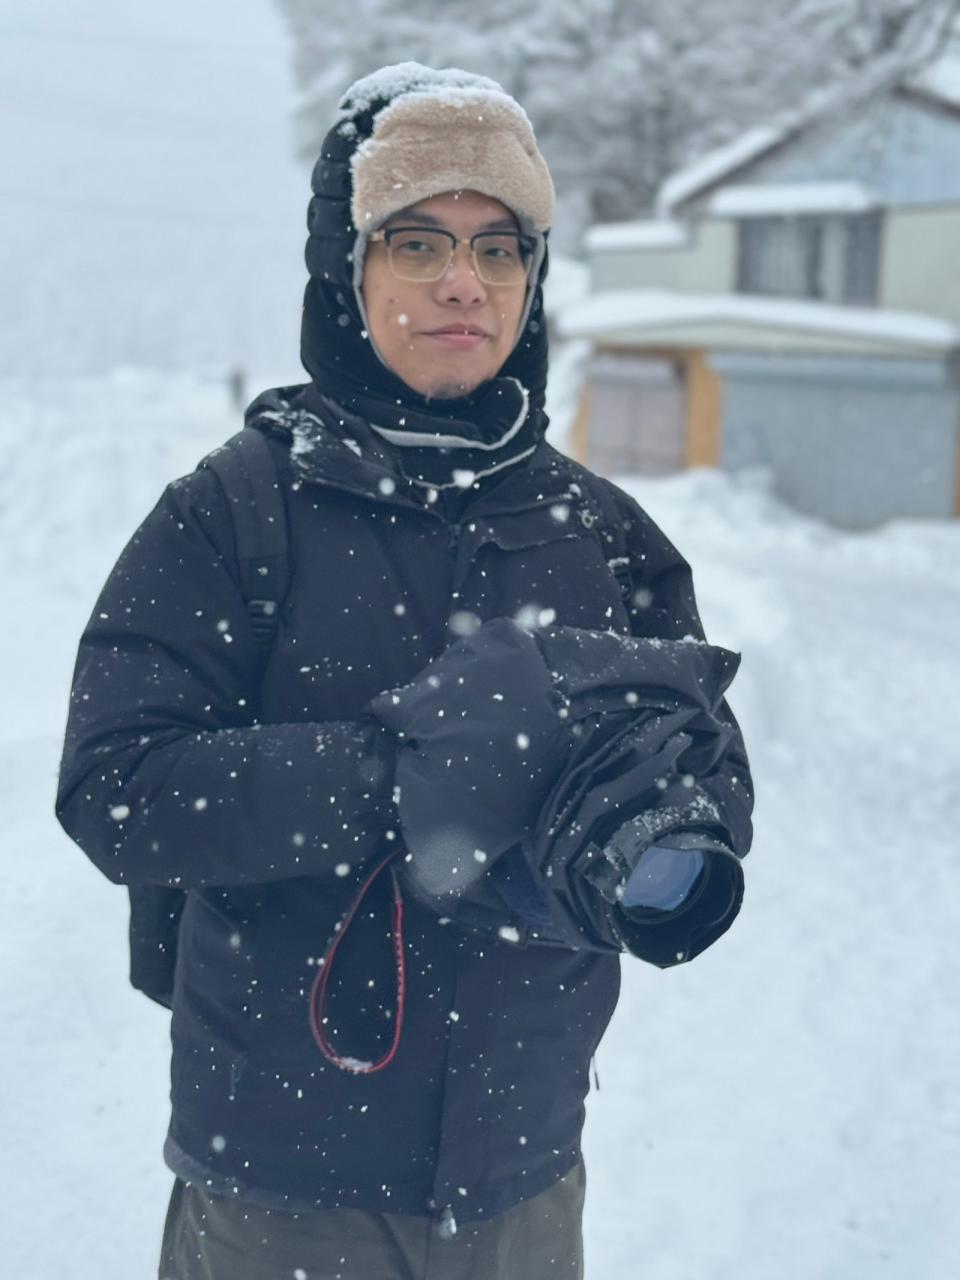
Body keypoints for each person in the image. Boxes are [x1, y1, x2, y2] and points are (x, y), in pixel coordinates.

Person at [56, 63, 754, 1280]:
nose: (460, 284)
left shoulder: (600, 533)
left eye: (500, 250)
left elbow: (706, 772)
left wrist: (651, 824)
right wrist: (398, 778)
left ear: (534, 281)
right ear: (351, 267)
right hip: (283, 1182)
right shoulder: (238, 511)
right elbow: (117, 786)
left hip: (525, 1177)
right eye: (417, 240)